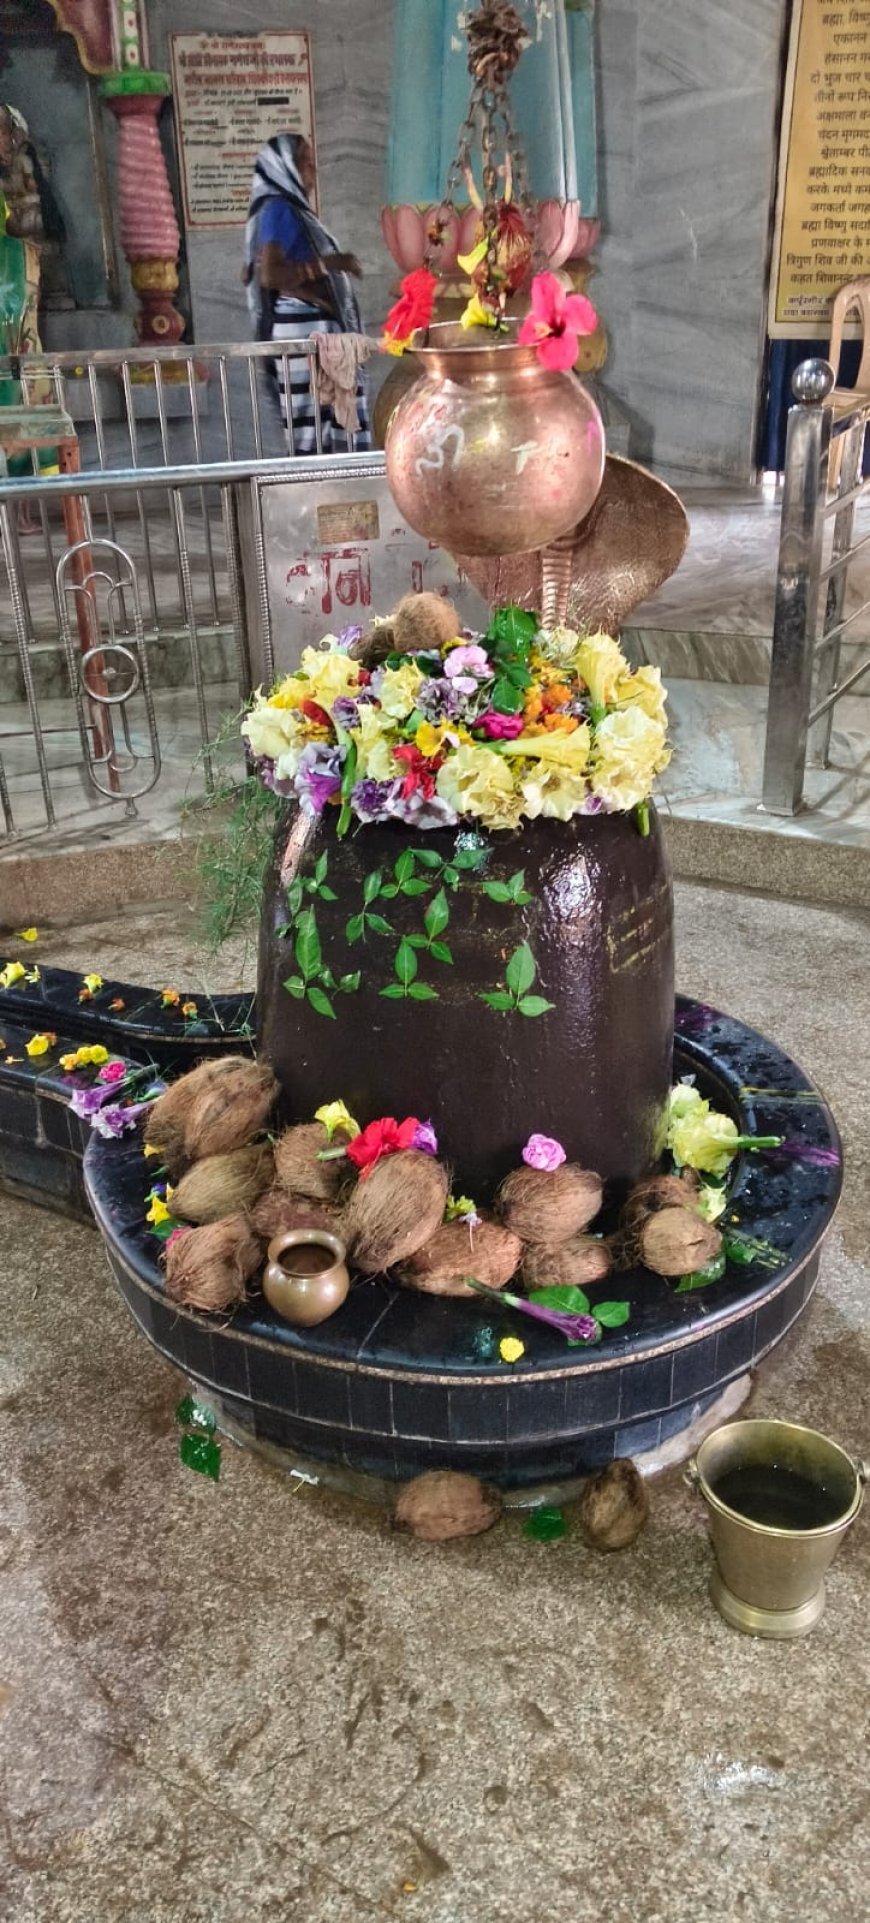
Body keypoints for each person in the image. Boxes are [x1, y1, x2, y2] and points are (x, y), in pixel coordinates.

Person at [243, 134, 372, 454]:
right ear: (284, 167)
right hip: (303, 329)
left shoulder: (288, 210)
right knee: (311, 427)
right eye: (306, 164)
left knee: (325, 420)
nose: (313, 173)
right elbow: (271, 275)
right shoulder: (279, 209)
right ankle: (315, 483)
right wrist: (330, 263)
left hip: (314, 330)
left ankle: (332, 481)